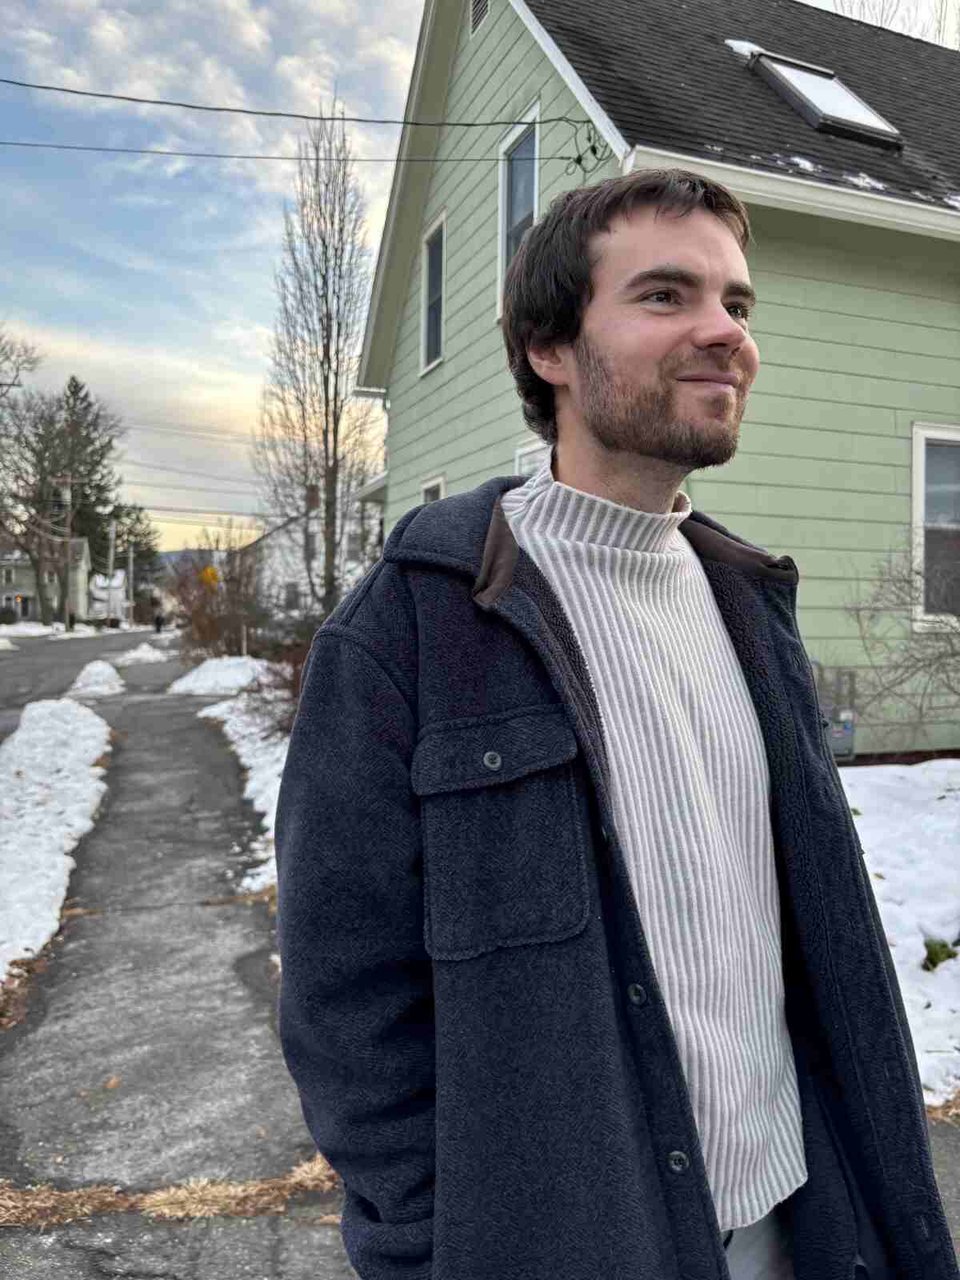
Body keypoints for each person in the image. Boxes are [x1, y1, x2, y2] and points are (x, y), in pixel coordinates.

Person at [275, 169, 956, 1280]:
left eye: (738, 304)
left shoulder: (747, 604)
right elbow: (345, 998)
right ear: (551, 348)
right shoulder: (419, 622)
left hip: (804, 1220)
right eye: (665, 296)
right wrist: (431, 1242)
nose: (722, 331)